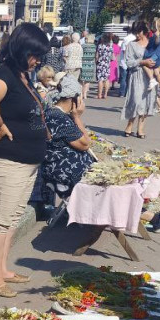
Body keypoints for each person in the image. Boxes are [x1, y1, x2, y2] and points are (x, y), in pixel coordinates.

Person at [0, 22, 50, 298]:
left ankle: (3, 269)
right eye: (34, 54)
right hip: (7, 160)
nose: (38, 61)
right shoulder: (3, 74)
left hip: (25, 162)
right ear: (22, 49)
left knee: (12, 219)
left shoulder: (21, 74)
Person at [40, 76, 95, 227]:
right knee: (108, 182)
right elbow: (85, 144)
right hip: (63, 172)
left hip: (55, 167)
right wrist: (77, 117)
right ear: (73, 99)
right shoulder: (60, 118)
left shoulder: (52, 112)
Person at [122, 22, 158, 139]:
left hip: (150, 77)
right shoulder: (132, 45)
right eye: (135, 32)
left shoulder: (151, 44)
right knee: (136, 101)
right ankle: (129, 125)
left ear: (144, 32)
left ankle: (141, 128)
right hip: (136, 76)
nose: (137, 35)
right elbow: (129, 62)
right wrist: (142, 62)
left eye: (139, 32)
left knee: (147, 101)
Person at [95, 33, 114, 99]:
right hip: (107, 64)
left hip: (100, 64)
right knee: (106, 79)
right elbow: (112, 57)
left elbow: (97, 56)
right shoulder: (110, 46)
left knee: (100, 80)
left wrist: (96, 61)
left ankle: (99, 95)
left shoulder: (100, 46)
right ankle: (105, 94)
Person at [80, 34, 97, 101]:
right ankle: (85, 94)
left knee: (81, 80)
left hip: (83, 63)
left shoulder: (83, 46)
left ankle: (81, 94)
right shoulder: (94, 46)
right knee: (87, 81)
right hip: (90, 64)